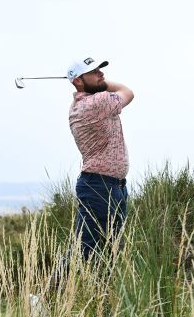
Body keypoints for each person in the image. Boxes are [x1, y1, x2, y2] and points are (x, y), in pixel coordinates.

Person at [49, 56, 135, 291]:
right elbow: (128, 91)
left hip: (108, 186)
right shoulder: (94, 104)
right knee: (86, 248)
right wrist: (102, 85)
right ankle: (47, 299)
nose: (101, 74)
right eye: (93, 72)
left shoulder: (84, 102)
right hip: (101, 187)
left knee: (105, 249)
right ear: (78, 81)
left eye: (100, 70)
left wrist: (91, 83)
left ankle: (98, 302)